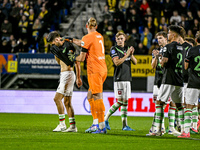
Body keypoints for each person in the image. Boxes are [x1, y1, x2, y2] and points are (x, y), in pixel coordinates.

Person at [66, 17, 108, 134]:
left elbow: (82, 58)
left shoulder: (87, 37)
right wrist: (72, 40)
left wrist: (72, 58)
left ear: (86, 26)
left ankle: (101, 126)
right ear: (96, 26)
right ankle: (95, 124)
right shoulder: (99, 36)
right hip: (102, 69)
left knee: (97, 97)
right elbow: (85, 43)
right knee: (90, 95)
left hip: (94, 70)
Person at [47, 31, 82, 132]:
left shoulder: (69, 46)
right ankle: (73, 126)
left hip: (67, 74)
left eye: (53, 42)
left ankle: (62, 124)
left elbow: (76, 61)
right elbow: (58, 61)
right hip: (66, 74)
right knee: (67, 102)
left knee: (57, 99)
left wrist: (79, 77)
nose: (52, 45)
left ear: (57, 39)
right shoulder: (55, 49)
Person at [154, 25, 186, 136]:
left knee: (159, 102)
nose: (168, 35)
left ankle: (157, 130)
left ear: (173, 35)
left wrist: (160, 59)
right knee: (179, 105)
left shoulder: (168, 47)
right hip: (179, 79)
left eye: (168, 33)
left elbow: (164, 62)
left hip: (168, 79)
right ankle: (184, 131)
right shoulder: (183, 48)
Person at [104, 32, 137, 131]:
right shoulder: (114, 49)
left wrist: (131, 54)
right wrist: (127, 55)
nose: (120, 40)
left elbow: (135, 62)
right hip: (119, 78)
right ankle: (105, 119)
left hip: (127, 78)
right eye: (118, 39)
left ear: (125, 39)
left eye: (121, 38)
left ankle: (124, 125)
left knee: (125, 101)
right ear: (116, 39)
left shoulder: (127, 49)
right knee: (120, 101)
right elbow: (117, 62)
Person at [178, 31, 200, 138]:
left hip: (194, 81)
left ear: (196, 40)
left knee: (189, 106)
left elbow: (186, 66)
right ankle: (195, 127)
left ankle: (186, 131)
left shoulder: (191, 50)